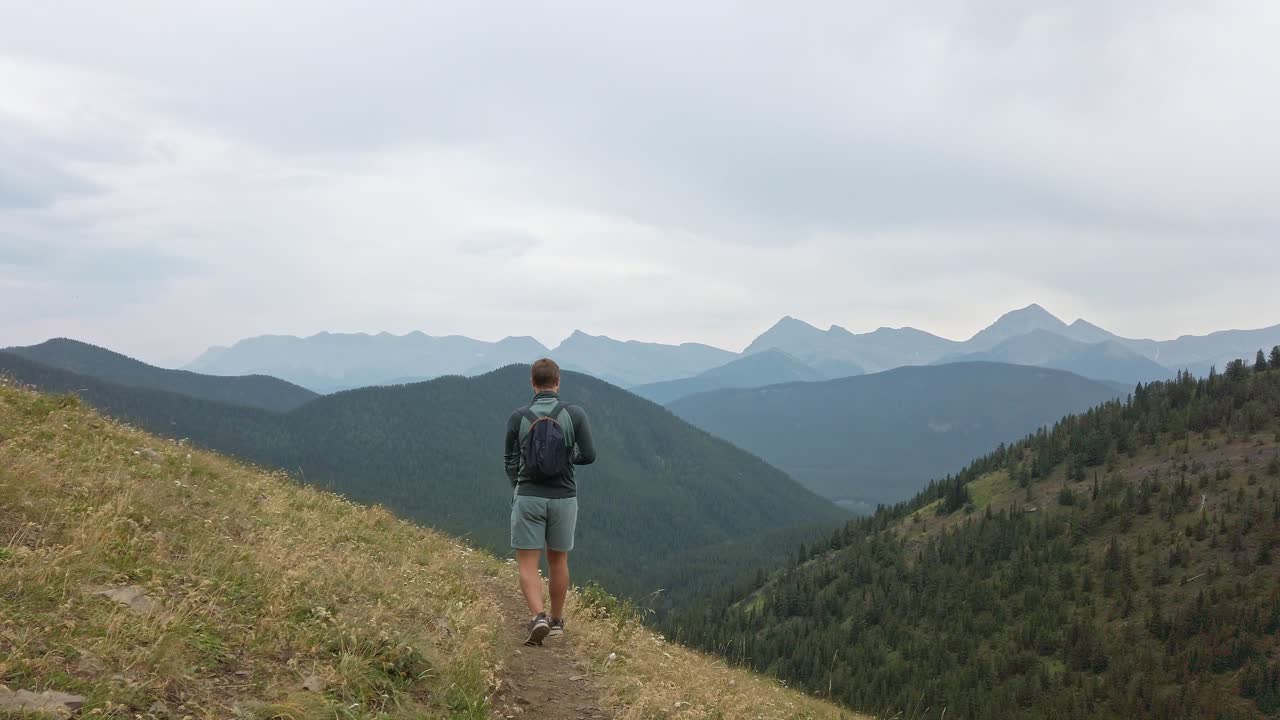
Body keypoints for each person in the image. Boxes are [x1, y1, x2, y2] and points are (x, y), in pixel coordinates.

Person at [504, 358, 596, 646]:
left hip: (528, 497)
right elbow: (589, 455)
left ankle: (538, 616)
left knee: (528, 563)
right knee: (558, 561)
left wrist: (519, 487)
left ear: (532, 382)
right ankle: (556, 621)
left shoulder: (518, 417)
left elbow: (510, 461)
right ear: (558, 382)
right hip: (564, 498)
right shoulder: (574, 414)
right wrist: (566, 457)